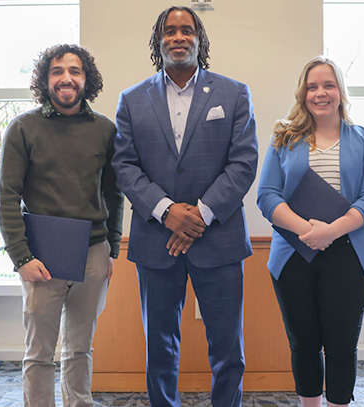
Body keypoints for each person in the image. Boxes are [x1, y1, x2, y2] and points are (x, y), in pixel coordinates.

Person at [111, 6, 258, 407]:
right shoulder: (131, 99)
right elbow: (124, 165)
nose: (179, 37)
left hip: (220, 239)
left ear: (199, 39)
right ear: (159, 40)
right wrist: (166, 211)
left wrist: (200, 215)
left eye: (186, 30)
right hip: (156, 240)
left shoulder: (233, 93)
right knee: (160, 349)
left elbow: (244, 162)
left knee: (228, 349)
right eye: (170, 30)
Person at [0, 44, 124, 406]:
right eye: (57, 71)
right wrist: (21, 257)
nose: (66, 78)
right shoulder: (23, 128)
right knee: (39, 353)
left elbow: (114, 194)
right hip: (41, 257)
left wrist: (112, 248)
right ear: (45, 79)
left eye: (75, 71)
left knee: (79, 348)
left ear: (87, 80)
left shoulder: (104, 130)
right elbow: (7, 196)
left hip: (93, 254)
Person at [257, 56, 364, 407]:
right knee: (304, 343)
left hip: (349, 254)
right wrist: (307, 230)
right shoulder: (284, 137)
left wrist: (331, 231)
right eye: (312, 86)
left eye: (328, 85)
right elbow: (266, 195)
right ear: (303, 93)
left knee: (342, 345)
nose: (320, 93)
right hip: (294, 253)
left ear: (340, 92)